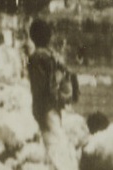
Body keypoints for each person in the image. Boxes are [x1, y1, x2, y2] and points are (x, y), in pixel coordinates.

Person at [27, 17, 80, 170]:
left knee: (51, 141)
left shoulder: (36, 57)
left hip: (42, 104)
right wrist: (62, 97)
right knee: (56, 142)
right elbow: (51, 84)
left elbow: (41, 85)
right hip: (49, 105)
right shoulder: (49, 56)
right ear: (49, 36)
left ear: (32, 37)